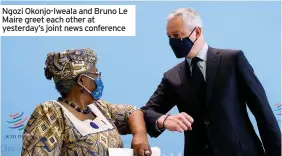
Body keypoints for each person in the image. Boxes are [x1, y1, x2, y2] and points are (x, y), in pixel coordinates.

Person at [141, 8, 281, 156]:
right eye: (169, 37)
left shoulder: (232, 60)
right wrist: (164, 120)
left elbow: (263, 113)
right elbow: (146, 112)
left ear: (197, 32)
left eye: (177, 35)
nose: (173, 42)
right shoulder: (172, 76)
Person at [21, 48, 152, 156]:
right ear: (82, 80)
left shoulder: (99, 108)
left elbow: (132, 112)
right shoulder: (51, 113)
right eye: (96, 75)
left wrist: (140, 135)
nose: (99, 79)